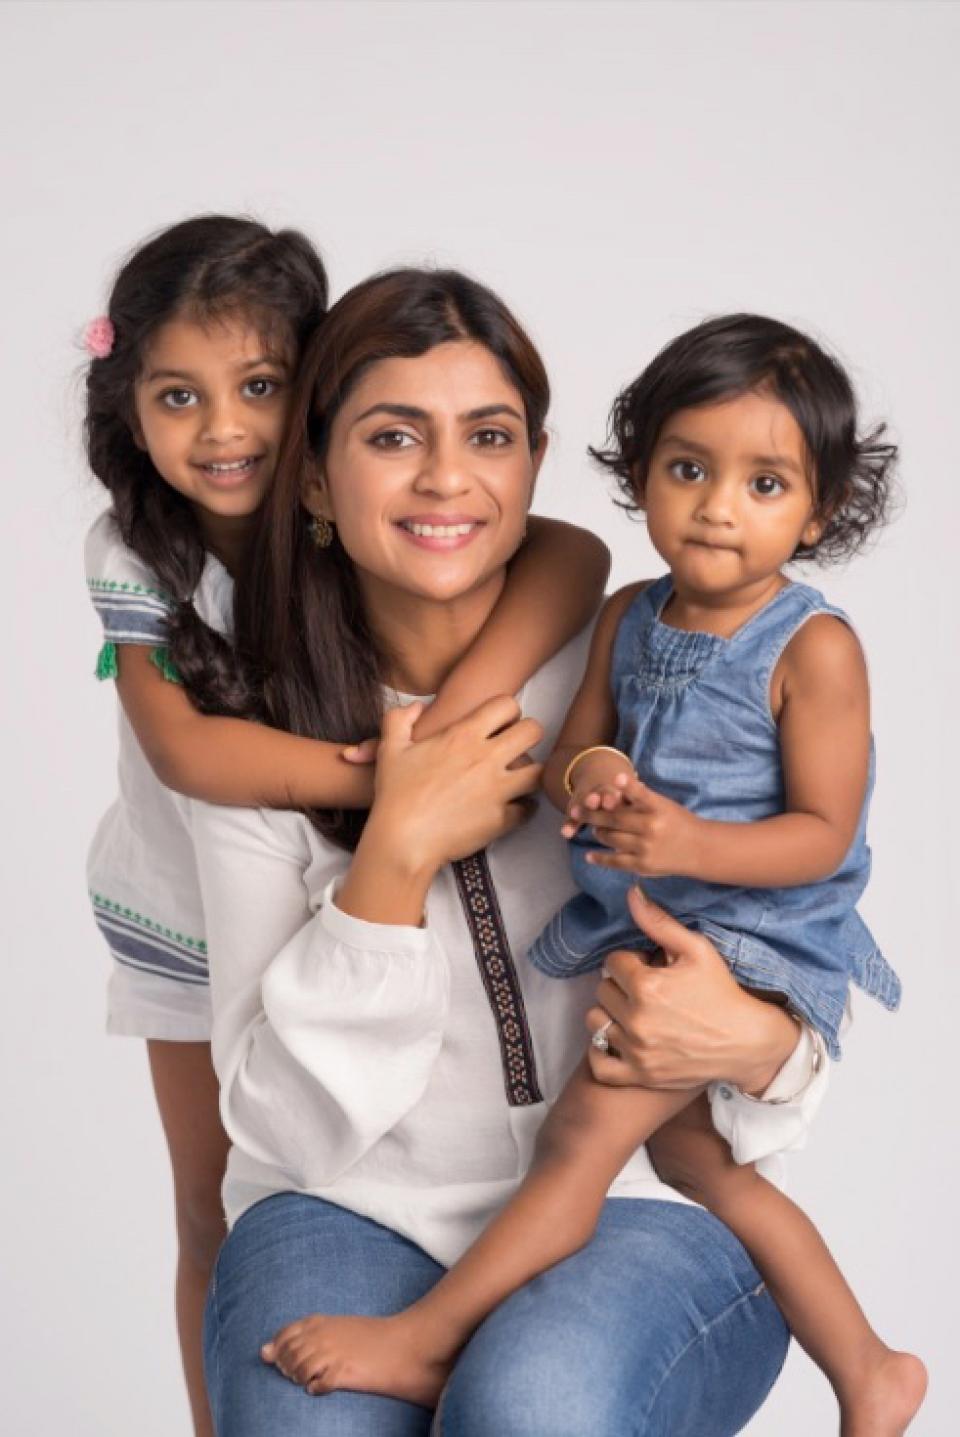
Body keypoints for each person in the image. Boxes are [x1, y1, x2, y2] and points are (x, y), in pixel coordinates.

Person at [192, 271, 829, 1437]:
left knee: (534, 1408)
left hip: (648, 1202)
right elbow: (279, 1127)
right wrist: (391, 859)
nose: (446, 478)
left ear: (532, 462)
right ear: (318, 477)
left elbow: (791, 915)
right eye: (394, 437)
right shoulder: (251, 730)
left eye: (486, 436)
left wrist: (767, 1048)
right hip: (343, 1210)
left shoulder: (653, 652)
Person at [81, 219, 610, 1437]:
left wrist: (457, 725)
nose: (227, 433)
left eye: (261, 387)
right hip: (173, 896)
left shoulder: (403, 566)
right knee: (214, 1201)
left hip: (320, 802)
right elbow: (190, 754)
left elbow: (571, 550)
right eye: (179, 396)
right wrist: (398, 795)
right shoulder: (144, 556)